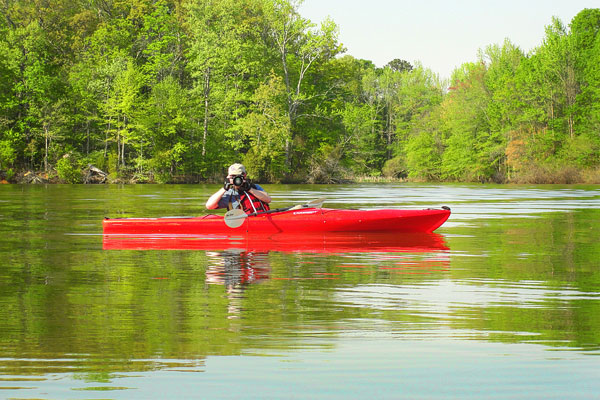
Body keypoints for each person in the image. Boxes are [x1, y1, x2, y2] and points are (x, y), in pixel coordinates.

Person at [205, 163, 272, 214]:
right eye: (232, 176)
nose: (236, 179)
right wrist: (224, 188)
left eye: (238, 176)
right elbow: (209, 206)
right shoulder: (229, 194)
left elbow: (268, 199)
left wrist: (249, 189)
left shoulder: (255, 187)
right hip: (242, 223)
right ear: (228, 177)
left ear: (244, 176)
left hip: (262, 219)